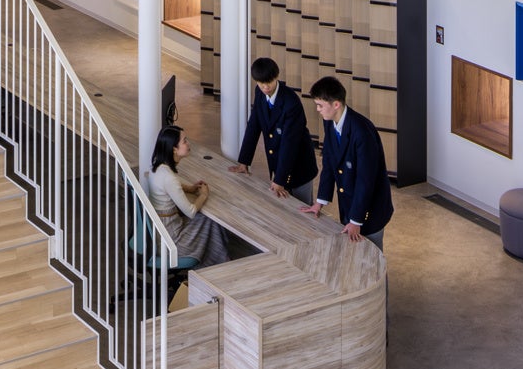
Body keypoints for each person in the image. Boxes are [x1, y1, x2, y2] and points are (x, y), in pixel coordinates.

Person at [304, 75, 393, 246]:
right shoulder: (329, 122)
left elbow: (366, 179)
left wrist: (356, 220)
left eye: (320, 105)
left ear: (336, 104)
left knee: (372, 256)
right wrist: (320, 202)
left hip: (370, 210)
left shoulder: (362, 132)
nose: (317, 110)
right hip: (350, 205)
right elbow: (329, 163)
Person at [228, 56, 318, 197]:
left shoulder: (291, 102)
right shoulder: (260, 93)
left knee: (302, 205)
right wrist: (244, 162)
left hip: (300, 165)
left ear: (276, 77)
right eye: (261, 83)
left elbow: (289, 143)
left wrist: (279, 180)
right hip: (280, 163)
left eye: (269, 82)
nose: (265, 87)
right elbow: (253, 126)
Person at [148, 123, 221, 268]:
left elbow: (167, 186)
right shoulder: (169, 177)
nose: (188, 144)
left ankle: (216, 263)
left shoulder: (156, 167)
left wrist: (190, 188)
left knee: (208, 223)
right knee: (210, 221)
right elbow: (191, 211)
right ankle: (215, 264)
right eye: (184, 141)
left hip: (159, 234)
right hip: (171, 241)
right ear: (174, 149)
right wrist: (203, 195)